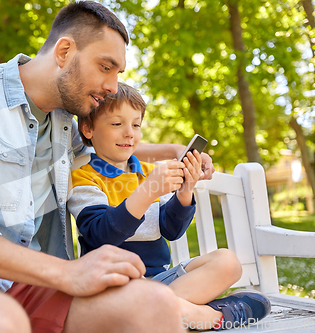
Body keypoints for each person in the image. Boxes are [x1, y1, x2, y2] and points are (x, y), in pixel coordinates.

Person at [0, 2, 217, 333]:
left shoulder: (64, 125)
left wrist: (173, 150)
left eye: (117, 73)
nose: (113, 86)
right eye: (105, 66)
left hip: (26, 287)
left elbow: (111, 147)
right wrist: (65, 273)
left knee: (155, 304)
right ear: (65, 52)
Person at [67, 82, 271, 330]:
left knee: (228, 262)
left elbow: (171, 231)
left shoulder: (150, 173)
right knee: (139, 300)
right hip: (116, 287)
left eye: (136, 125)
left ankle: (165, 311)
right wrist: (148, 191)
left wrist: (185, 192)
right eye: (117, 124)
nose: (129, 133)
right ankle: (213, 317)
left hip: (162, 282)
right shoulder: (85, 178)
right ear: (87, 129)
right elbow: (102, 234)